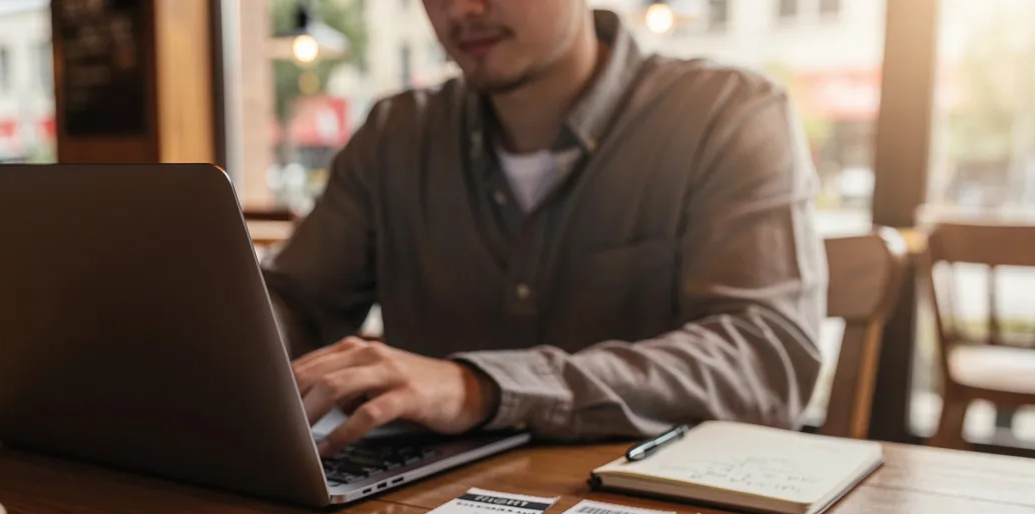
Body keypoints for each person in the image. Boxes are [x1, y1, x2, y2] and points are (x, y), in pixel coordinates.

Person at [265, 0, 827, 457]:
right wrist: (226, 333)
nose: (463, 9)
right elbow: (297, 303)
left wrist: (480, 388)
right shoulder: (395, 135)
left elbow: (765, 360)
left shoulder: (727, 115)